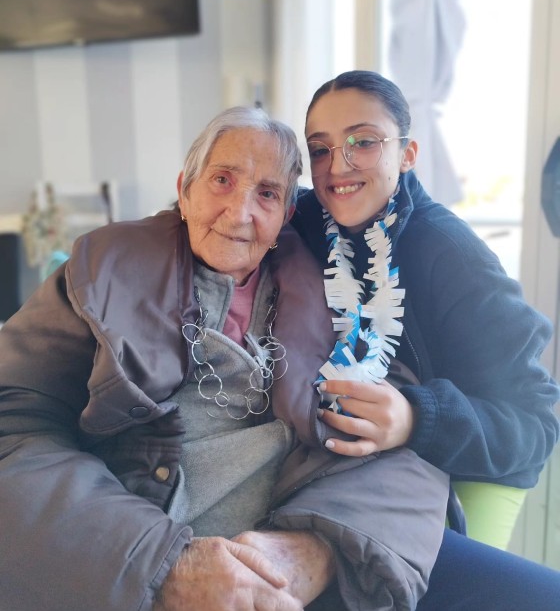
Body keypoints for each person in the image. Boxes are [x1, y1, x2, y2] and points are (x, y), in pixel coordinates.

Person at [0, 106, 449, 611]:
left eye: (268, 194)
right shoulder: (100, 270)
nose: (239, 213)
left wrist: (313, 554)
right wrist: (163, 568)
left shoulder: (337, 295)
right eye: (221, 180)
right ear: (185, 191)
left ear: (286, 216)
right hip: (127, 565)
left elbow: (406, 447)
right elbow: (13, 424)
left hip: (292, 565)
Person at [291, 69, 560, 609]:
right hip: (335, 468)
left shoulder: (449, 253)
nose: (337, 166)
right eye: (320, 149)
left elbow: (534, 425)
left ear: (408, 153)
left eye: (364, 142)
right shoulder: (301, 221)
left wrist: (415, 418)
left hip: (453, 471)